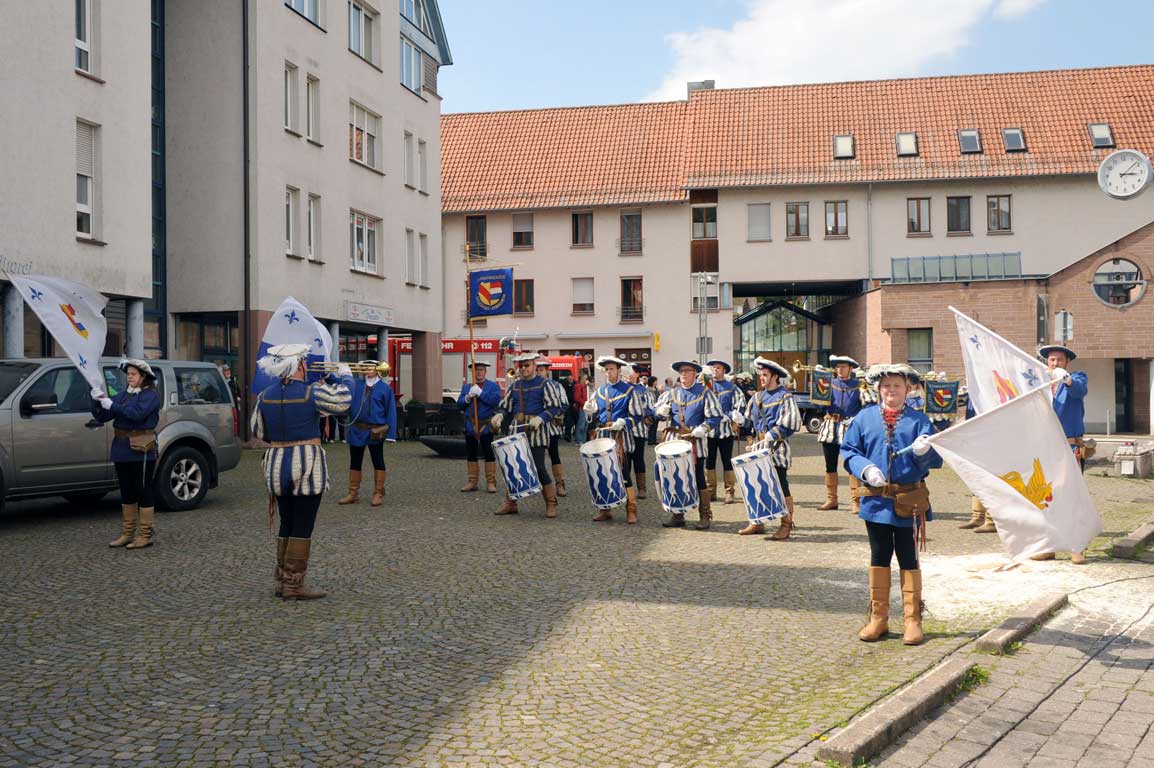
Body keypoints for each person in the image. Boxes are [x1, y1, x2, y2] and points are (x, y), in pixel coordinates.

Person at [841, 364, 941, 645]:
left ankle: (912, 620)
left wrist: (926, 451)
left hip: (909, 501)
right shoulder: (864, 418)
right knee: (879, 556)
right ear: (878, 389)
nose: (891, 391)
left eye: (897, 386)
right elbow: (849, 450)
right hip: (876, 502)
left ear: (907, 390)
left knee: (908, 558)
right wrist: (865, 469)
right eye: (886, 386)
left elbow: (935, 462)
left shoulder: (919, 421)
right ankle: (878, 619)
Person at [251, 344, 352, 599]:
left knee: (287, 520)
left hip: (275, 466)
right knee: (303, 524)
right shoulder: (312, 392)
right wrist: (344, 376)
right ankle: (294, 584)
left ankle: (282, 579)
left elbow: (258, 431)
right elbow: (343, 402)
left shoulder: (265, 395)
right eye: (305, 361)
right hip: (306, 466)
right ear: (299, 365)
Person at [91, 359, 163, 550]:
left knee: (143, 489)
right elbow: (103, 416)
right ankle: (128, 533)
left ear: (143, 377)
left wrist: (110, 404)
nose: (129, 377)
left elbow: (135, 414)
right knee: (126, 491)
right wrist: (97, 400)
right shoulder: (124, 395)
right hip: (122, 448)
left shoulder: (150, 396)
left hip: (141, 449)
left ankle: (146, 534)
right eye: (128, 374)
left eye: (133, 374)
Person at [1033, 344, 1091, 565]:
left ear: (1067, 362)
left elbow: (1079, 389)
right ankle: (1049, 545)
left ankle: (1078, 546)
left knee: (1073, 497)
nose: (1055, 363)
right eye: (1051, 360)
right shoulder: (1039, 383)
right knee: (1047, 497)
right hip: (1046, 446)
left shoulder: (1077, 377)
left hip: (1070, 446)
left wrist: (1065, 378)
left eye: (1059, 360)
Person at [492, 351, 567, 518]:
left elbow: (555, 407)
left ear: (534, 366)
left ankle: (551, 503)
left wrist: (541, 418)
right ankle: (511, 503)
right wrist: (500, 415)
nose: (524, 368)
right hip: (517, 430)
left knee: (539, 468)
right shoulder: (515, 385)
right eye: (521, 366)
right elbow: (506, 406)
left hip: (537, 433)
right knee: (512, 467)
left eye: (527, 365)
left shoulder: (545, 384)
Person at [654, 361, 723, 529]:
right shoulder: (672, 393)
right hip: (674, 440)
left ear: (695, 374)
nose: (683, 374)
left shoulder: (705, 393)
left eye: (687, 371)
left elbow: (716, 416)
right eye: (681, 371)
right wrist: (659, 412)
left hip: (695, 441)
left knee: (699, 477)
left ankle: (705, 514)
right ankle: (678, 514)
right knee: (674, 476)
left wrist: (704, 428)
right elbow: (654, 413)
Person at [583, 356, 647, 523]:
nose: (609, 372)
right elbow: (596, 415)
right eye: (606, 369)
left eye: (611, 369)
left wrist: (624, 422)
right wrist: (589, 411)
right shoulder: (600, 391)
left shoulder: (629, 391)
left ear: (619, 371)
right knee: (604, 472)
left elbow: (638, 416)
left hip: (621, 437)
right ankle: (605, 509)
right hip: (603, 435)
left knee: (624, 473)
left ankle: (631, 509)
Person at [745, 358, 802, 539]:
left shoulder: (784, 396)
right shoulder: (756, 397)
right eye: (760, 375)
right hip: (758, 448)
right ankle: (757, 521)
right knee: (756, 485)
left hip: (777, 449)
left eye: (765, 375)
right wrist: (739, 421)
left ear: (775, 376)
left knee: (780, 485)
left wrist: (774, 433)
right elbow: (749, 420)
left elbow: (793, 421)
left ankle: (786, 524)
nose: (761, 378)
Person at [336, 360, 397, 507]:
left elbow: (391, 411)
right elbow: (337, 381)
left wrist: (391, 435)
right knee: (355, 461)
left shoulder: (384, 388)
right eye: (364, 367)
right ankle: (353, 493)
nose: (367, 370)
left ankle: (378, 492)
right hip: (357, 429)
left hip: (376, 430)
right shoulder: (355, 384)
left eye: (370, 367)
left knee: (378, 460)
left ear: (376, 370)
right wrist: (333, 373)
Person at [817, 355, 864, 512]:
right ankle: (832, 499)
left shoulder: (859, 385)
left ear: (850, 369)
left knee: (852, 464)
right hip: (830, 426)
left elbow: (867, 407)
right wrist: (817, 385)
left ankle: (856, 501)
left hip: (850, 427)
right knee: (830, 465)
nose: (839, 370)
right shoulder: (829, 383)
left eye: (843, 367)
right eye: (837, 367)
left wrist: (857, 420)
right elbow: (818, 404)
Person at [704, 359, 747, 505]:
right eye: (713, 368)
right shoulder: (705, 385)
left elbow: (740, 405)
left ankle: (729, 491)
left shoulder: (732, 387)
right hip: (708, 431)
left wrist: (730, 415)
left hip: (726, 430)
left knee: (726, 461)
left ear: (724, 371)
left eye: (718, 368)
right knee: (709, 461)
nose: (715, 370)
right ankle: (710, 491)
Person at [458, 360, 502, 493]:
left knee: (489, 454)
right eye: (476, 370)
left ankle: (491, 482)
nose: (479, 372)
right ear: (472, 372)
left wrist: (481, 393)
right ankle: (472, 482)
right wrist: (467, 398)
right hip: (471, 425)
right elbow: (459, 404)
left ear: (485, 371)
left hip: (486, 426)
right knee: (471, 454)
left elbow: (495, 401)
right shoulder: (467, 387)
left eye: (481, 369)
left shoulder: (493, 386)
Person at [536, 355, 571, 497]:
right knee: (536, 458)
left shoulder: (556, 386)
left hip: (550, 427)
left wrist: (552, 412)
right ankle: (540, 484)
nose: (539, 372)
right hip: (535, 429)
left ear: (547, 371)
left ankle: (559, 483)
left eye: (542, 370)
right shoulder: (530, 385)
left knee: (554, 455)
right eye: (537, 369)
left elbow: (564, 404)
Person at [623, 364, 655, 502]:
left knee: (638, 458)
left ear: (637, 375)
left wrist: (639, 410)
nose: (630, 374)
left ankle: (642, 488)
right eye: (627, 372)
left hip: (638, 429)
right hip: (623, 431)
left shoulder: (644, 391)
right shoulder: (621, 389)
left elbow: (651, 409)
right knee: (624, 461)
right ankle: (626, 488)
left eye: (633, 372)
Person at [572, 370, 590, 444]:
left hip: (585, 407)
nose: (586, 380)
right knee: (581, 425)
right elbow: (577, 398)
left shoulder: (585, 387)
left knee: (585, 425)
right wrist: (585, 403)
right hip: (581, 408)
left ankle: (583, 439)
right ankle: (579, 440)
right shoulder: (578, 386)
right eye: (584, 379)